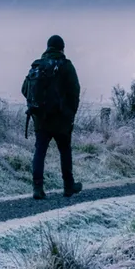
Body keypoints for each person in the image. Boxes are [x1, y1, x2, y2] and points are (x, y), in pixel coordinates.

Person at [21, 34, 83, 200]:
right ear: (62, 48)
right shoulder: (66, 66)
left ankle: (37, 188)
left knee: (40, 151)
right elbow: (75, 92)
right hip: (61, 119)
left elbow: (24, 89)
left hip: (41, 119)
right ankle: (68, 186)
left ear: (48, 47)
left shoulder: (38, 66)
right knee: (64, 151)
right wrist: (71, 114)